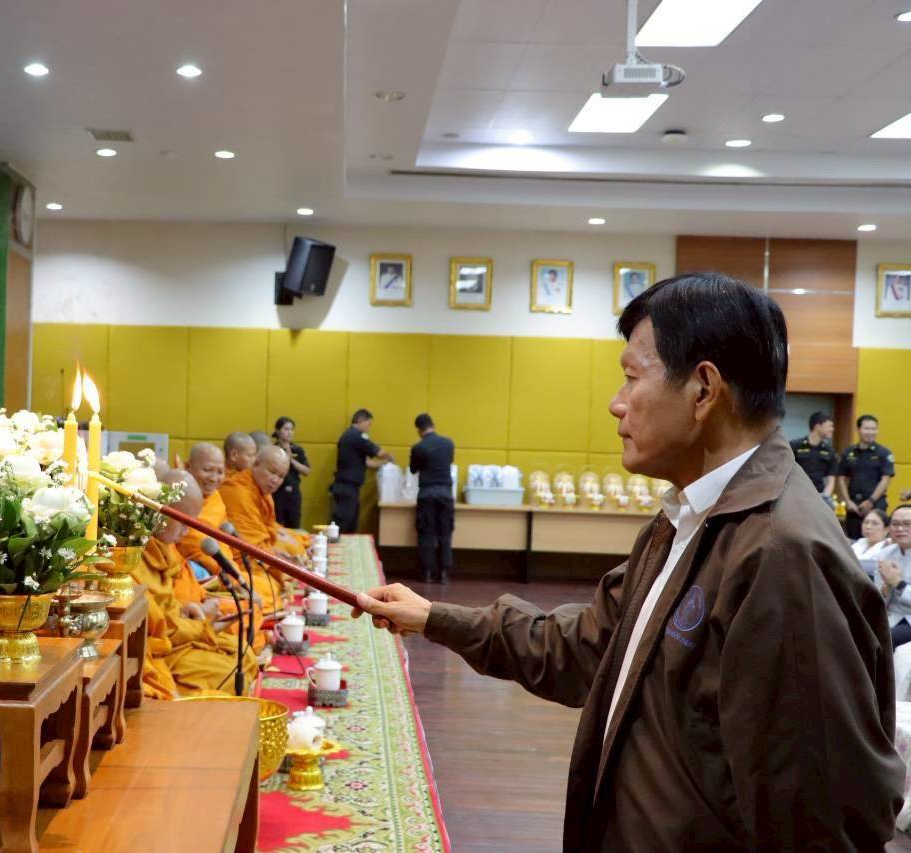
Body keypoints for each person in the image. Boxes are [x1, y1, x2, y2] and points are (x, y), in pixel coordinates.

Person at [352, 271, 902, 849]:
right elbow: (589, 647)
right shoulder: (690, 517)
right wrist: (435, 617)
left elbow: (821, 825)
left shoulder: (779, 554)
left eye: (632, 377)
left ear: (703, 390)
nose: (617, 404)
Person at [130, 470, 258, 697]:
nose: (187, 531)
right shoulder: (133, 560)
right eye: (182, 523)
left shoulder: (164, 549)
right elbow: (161, 629)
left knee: (245, 656)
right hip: (163, 652)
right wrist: (203, 627)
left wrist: (186, 611)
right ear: (158, 511)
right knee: (232, 671)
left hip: (181, 635)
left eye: (191, 523)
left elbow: (167, 610)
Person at [177, 443, 270, 651]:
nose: (214, 478)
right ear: (188, 466)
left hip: (222, 570)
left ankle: (251, 640)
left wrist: (237, 574)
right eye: (207, 470)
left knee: (259, 595)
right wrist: (236, 579)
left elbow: (225, 540)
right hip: (201, 577)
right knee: (249, 605)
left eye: (219, 472)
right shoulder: (181, 501)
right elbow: (197, 547)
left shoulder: (216, 497)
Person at [220, 445, 309, 568]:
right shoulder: (238, 493)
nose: (275, 480)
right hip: (244, 560)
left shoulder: (262, 490)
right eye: (272, 472)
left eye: (281, 476)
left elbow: (269, 526)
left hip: (261, 549)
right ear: (256, 464)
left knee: (295, 545)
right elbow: (250, 548)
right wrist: (285, 561)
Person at [329, 409, 393, 534]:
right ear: (360, 420)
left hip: (348, 489)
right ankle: (338, 546)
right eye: (368, 424)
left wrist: (384, 464)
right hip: (347, 488)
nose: (369, 428)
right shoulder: (356, 436)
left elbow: (367, 462)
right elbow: (378, 452)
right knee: (344, 524)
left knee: (351, 523)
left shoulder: (349, 436)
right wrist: (390, 457)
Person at [410, 413, 455, 583]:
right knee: (445, 533)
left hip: (426, 493)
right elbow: (449, 461)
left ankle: (427, 573)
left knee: (426, 533)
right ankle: (443, 573)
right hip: (445, 493)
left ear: (419, 430)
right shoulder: (448, 443)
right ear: (432, 425)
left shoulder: (419, 447)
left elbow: (413, 469)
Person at [837, 414, 895, 539]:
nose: (871, 432)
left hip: (876, 505)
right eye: (867, 429)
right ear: (858, 430)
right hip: (853, 507)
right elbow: (841, 478)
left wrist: (870, 501)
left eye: (874, 429)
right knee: (853, 541)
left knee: (875, 540)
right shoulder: (848, 452)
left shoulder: (884, 453)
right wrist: (847, 501)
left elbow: (885, 479)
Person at [875, 505, 911, 648]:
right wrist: (886, 588)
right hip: (892, 615)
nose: (900, 528)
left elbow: (898, 584)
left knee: (883, 639)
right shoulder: (885, 554)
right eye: (895, 524)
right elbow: (879, 600)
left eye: (907, 524)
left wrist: (899, 584)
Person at [271, 416, 310, 529]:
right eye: (286, 429)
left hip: (293, 492)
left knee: (294, 524)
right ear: (278, 431)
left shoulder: (297, 450)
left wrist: (291, 459)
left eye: (292, 429)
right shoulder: (272, 449)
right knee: (276, 524)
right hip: (276, 492)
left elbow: (306, 471)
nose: (289, 432)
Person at [789, 410, 838, 500]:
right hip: (796, 496)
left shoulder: (829, 450)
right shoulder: (795, 446)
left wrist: (825, 497)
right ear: (817, 426)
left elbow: (831, 480)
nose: (832, 429)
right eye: (829, 426)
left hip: (818, 496)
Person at [853, 508, 891, 579]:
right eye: (866, 522)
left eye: (874, 523)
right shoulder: (859, 543)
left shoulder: (888, 546)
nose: (868, 527)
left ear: (886, 530)